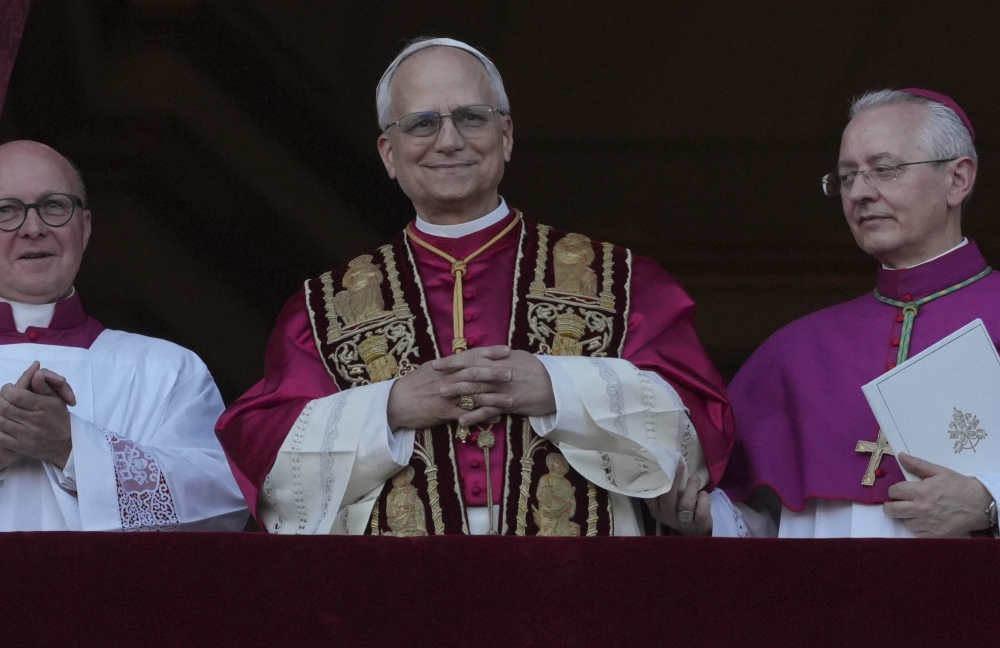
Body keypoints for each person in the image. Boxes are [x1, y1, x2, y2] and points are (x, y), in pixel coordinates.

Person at [216, 37, 737, 536]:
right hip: (397, 593)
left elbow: (700, 428)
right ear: (388, 154)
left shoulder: (620, 282)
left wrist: (559, 388)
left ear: (506, 135)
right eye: (421, 124)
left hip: (579, 588)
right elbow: (267, 463)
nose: (449, 141)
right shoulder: (324, 309)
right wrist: (390, 407)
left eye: (471, 117)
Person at [715, 88, 1000, 538]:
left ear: (958, 179)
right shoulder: (796, 351)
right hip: (829, 605)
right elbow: (759, 526)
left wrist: (990, 502)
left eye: (884, 170)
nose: (861, 193)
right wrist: (697, 516)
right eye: (847, 177)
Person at [0, 140, 248, 531]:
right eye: (6, 210)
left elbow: (222, 506)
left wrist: (71, 447)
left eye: (54, 206)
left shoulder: (168, 369)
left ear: (85, 228)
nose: (34, 228)